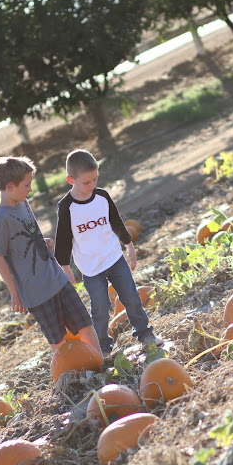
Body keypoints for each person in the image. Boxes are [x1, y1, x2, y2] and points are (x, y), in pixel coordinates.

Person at [0, 155, 102, 357]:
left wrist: (43, 241)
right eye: (26, 185)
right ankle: (68, 371)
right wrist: (14, 292)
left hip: (56, 278)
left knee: (84, 323)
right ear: (10, 187)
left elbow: (28, 234)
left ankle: (99, 362)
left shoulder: (23, 203)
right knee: (57, 339)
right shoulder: (1, 219)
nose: (30, 189)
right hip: (36, 292)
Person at [54, 149, 163, 357]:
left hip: (114, 257)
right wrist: (65, 267)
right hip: (91, 267)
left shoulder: (102, 196)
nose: (92, 185)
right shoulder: (66, 207)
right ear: (71, 180)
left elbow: (116, 221)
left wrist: (129, 245)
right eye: (86, 182)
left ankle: (145, 334)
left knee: (131, 296)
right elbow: (64, 238)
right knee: (100, 309)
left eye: (95, 179)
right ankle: (103, 348)